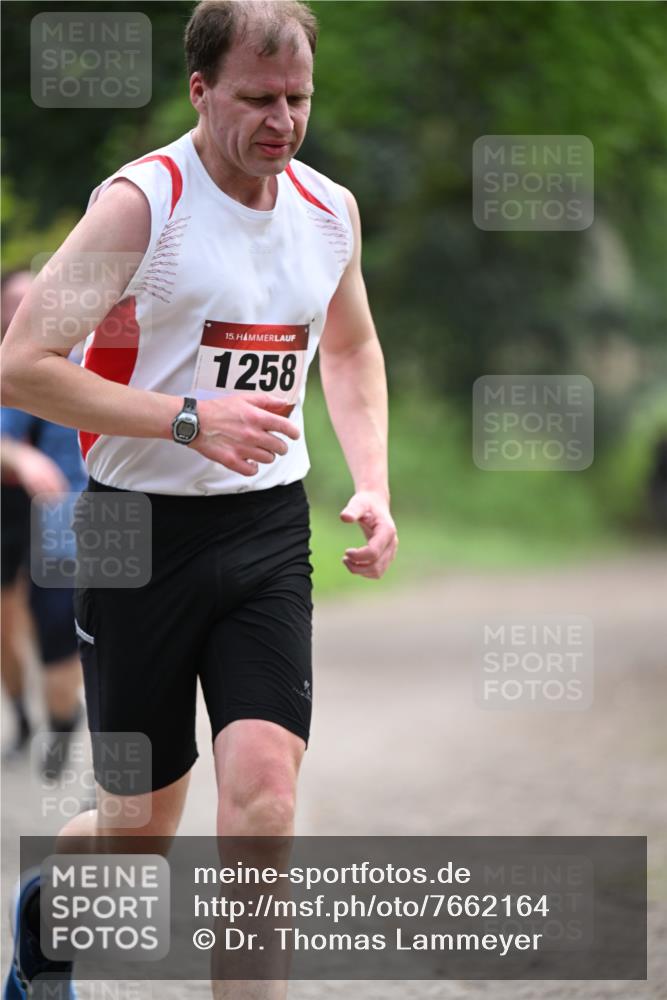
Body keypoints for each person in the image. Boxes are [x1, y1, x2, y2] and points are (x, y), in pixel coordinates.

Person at [1, 2, 397, 997]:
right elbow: (22, 366)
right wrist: (187, 418)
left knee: (263, 802)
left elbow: (347, 347)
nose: (282, 120)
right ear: (199, 89)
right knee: (140, 835)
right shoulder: (144, 205)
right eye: (258, 98)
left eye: (298, 98)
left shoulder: (328, 211)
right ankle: (46, 923)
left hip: (267, 527)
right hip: (136, 530)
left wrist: (374, 479)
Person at [1, 271, 85, 769]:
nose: (22, 306)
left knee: (65, 630)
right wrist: (21, 458)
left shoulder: (84, 353)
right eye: (12, 298)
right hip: (17, 509)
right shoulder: (14, 367)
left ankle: (62, 721)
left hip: (71, 512)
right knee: (11, 624)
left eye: (31, 297)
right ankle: (24, 715)